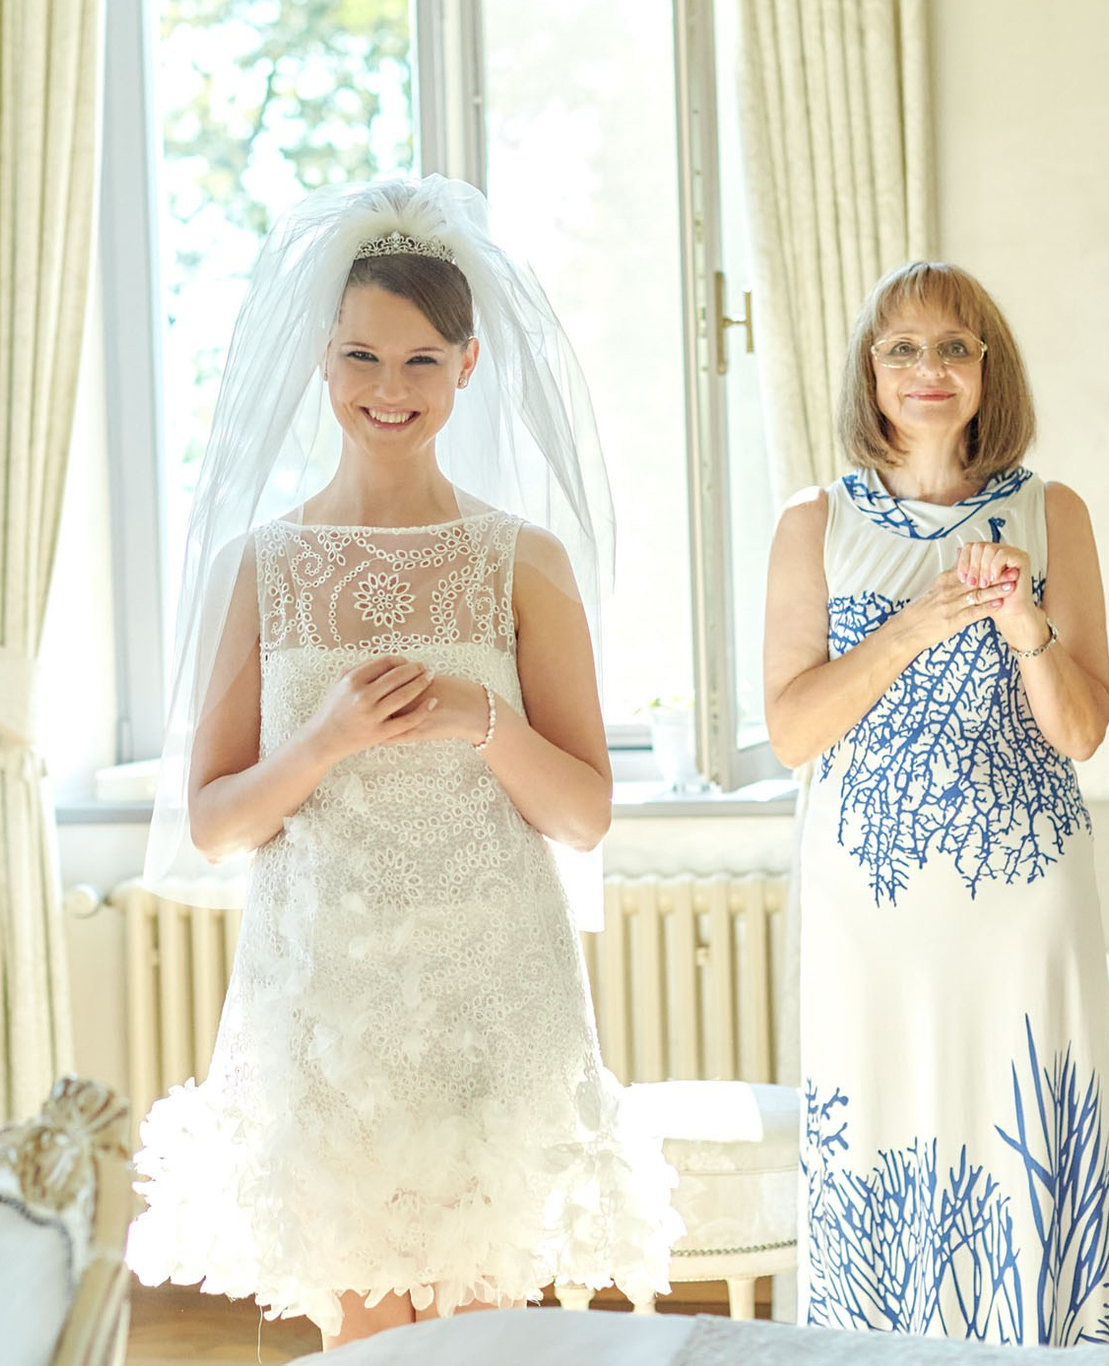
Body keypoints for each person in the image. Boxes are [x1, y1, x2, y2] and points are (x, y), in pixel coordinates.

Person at [128, 176, 678, 1348]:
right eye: (362, 356)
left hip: (490, 994)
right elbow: (219, 822)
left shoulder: (522, 560)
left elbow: (582, 813)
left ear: (468, 366)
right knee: (365, 1340)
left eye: (422, 360)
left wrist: (486, 717)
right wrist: (324, 741)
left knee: (479, 1338)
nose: (390, 389)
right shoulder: (260, 567)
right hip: (328, 1003)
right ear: (320, 364)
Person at [761, 260, 1109, 1343]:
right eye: (901, 347)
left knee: (1027, 1132)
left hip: (1024, 895)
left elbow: (1082, 729)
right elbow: (792, 731)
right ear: (869, 373)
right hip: (867, 901)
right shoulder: (811, 521)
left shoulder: (1052, 510)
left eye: (953, 346)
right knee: (881, 1120)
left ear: (987, 369)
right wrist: (920, 619)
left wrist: (1022, 623)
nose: (928, 368)